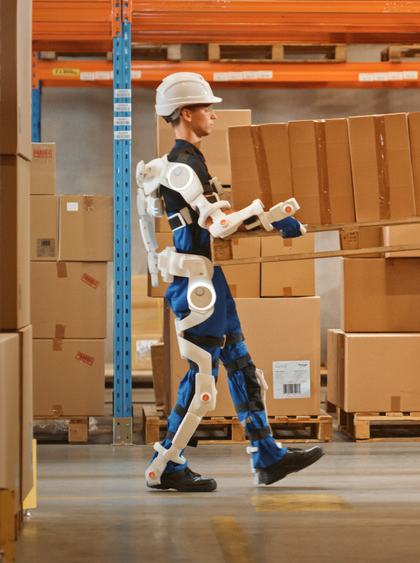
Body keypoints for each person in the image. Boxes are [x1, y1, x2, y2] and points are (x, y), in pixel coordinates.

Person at [146, 72, 323, 492]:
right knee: (203, 380)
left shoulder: (191, 160)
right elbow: (219, 224)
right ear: (185, 113)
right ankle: (166, 462)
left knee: (241, 364)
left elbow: (215, 226)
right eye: (207, 107)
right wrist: (271, 214)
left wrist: (269, 223)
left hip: (210, 279)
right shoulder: (181, 166)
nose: (213, 114)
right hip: (196, 285)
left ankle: (267, 456)